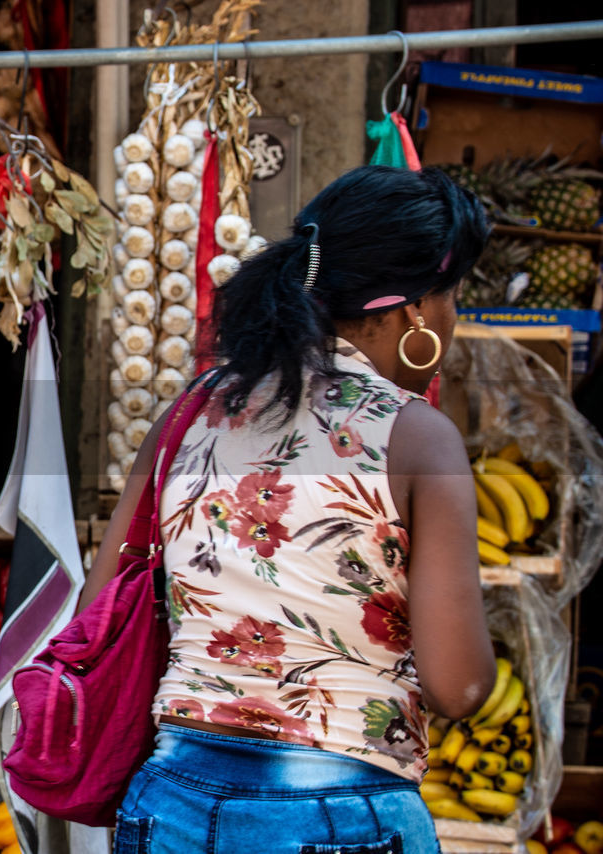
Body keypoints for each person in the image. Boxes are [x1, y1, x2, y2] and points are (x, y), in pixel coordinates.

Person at [85, 166, 496, 854]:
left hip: (171, 802)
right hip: (340, 812)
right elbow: (460, 685)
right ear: (415, 309)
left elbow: (98, 612)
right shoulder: (417, 436)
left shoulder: (187, 415)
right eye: (455, 297)